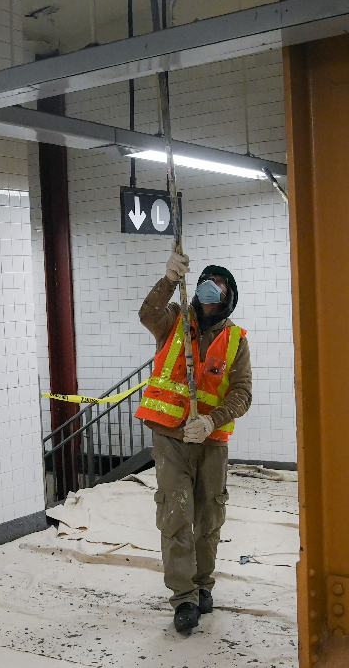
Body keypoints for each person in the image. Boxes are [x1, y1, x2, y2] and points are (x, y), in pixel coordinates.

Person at [136, 248, 252, 635]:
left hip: (211, 441)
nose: (209, 292)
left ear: (228, 298)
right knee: (177, 515)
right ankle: (183, 597)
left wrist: (211, 420)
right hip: (171, 438)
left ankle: (203, 585)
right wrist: (168, 280)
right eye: (205, 284)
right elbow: (147, 314)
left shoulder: (236, 340)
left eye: (218, 288)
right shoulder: (174, 320)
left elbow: (242, 393)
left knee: (208, 518)